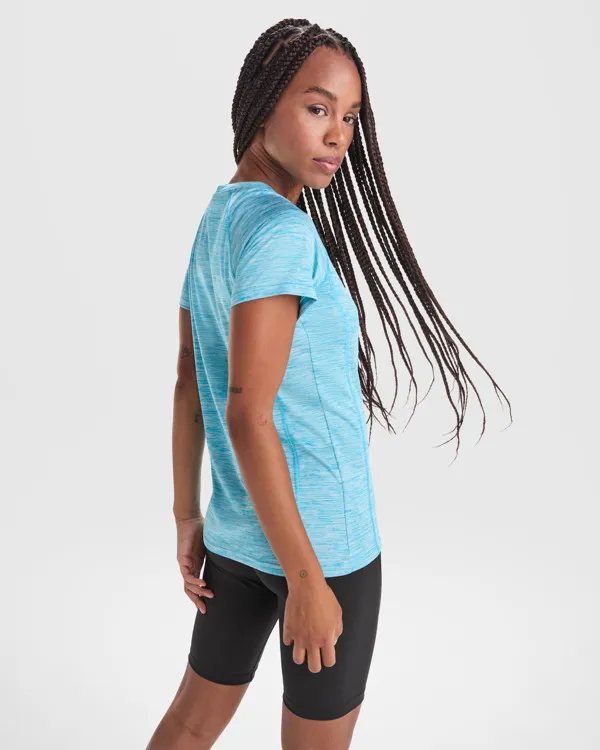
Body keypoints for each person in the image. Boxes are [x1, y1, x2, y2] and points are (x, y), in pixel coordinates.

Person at [146, 18, 512, 750]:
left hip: (237, 535)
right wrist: (308, 580)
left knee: (189, 723)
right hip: (323, 549)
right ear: (262, 102)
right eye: (318, 108)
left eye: (349, 117)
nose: (338, 135)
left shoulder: (218, 218)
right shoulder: (281, 233)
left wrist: (188, 517)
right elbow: (246, 415)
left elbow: (190, 381)